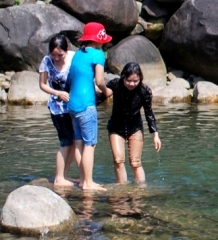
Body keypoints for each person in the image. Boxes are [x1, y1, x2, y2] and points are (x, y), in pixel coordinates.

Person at [66, 22, 113, 191]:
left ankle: (81, 179)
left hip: (72, 104)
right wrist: (107, 91)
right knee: (90, 145)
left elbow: (73, 79)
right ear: (98, 40)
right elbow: (99, 80)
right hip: (86, 105)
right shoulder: (98, 54)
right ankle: (88, 182)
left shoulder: (78, 54)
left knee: (78, 143)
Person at [105, 62, 162, 184]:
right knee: (118, 160)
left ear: (140, 79)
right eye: (128, 80)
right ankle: (122, 189)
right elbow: (100, 96)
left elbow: (149, 113)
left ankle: (140, 191)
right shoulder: (115, 84)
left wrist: (155, 135)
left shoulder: (144, 91)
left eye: (135, 81)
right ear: (123, 77)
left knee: (135, 162)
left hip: (135, 128)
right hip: (116, 127)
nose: (131, 84)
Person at [39, 33, 79, 187]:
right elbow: (42, 85)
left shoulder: (74, 58)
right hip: (57, 108)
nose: (56, 58)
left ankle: (65, 175)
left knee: (75, 142)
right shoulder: (46, 61)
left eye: (60, 55)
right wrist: (58, 93)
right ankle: (58, 178)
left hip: (73, 107)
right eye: (53, 54)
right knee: (65, 142)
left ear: (67, 50)